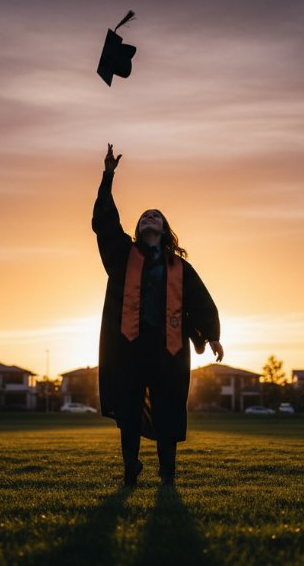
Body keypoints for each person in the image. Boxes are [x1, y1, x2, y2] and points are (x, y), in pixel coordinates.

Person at [92, 143, 224, 486]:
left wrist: (212, 335)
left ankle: (168, 473)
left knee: (167, 409)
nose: (149, 218)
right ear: (138, 228)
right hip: (130, 346)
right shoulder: (123, 255)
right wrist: (108, 177)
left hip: (170, 349)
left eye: (156, 216)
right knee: (130, 410)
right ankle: (130, 468)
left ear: (164, 229)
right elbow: (105, 223)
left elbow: (200, 300)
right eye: (144, 216)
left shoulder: (179, 267)